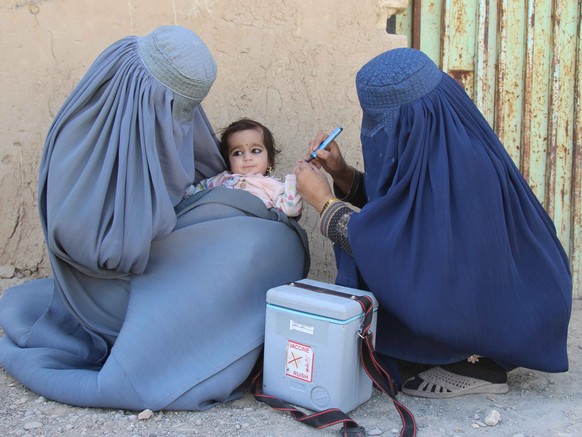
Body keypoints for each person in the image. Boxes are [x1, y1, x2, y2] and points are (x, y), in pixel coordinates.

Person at [0, 25, 309, 410]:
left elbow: (195, 184)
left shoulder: (166, 120)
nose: (183, 122)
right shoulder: (82, 141)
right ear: (148, 91)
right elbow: (96, 250)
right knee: (247, 247)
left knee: (266, 239)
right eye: (177, 108)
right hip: (112, 285)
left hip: (165, 251)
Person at [294, 47, 572, 398]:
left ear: (406, 118)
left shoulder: (468, 170)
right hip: (490, 292)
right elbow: (405, 213)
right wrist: (342, 174)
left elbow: (406, 255)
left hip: (508, 311)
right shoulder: (442, 140)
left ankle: (473, 360)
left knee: (363, 256)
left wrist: (324, 203)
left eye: (379, 121)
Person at [184, 118, 302, 217]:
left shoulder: (271, 185)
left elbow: (291, 210)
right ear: (228, 160)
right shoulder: (222, 179)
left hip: (252, 229)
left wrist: (292, 182)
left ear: (269, 160)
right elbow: (195, 193)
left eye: (255, 151)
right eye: (238, 153)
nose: (247, 157)